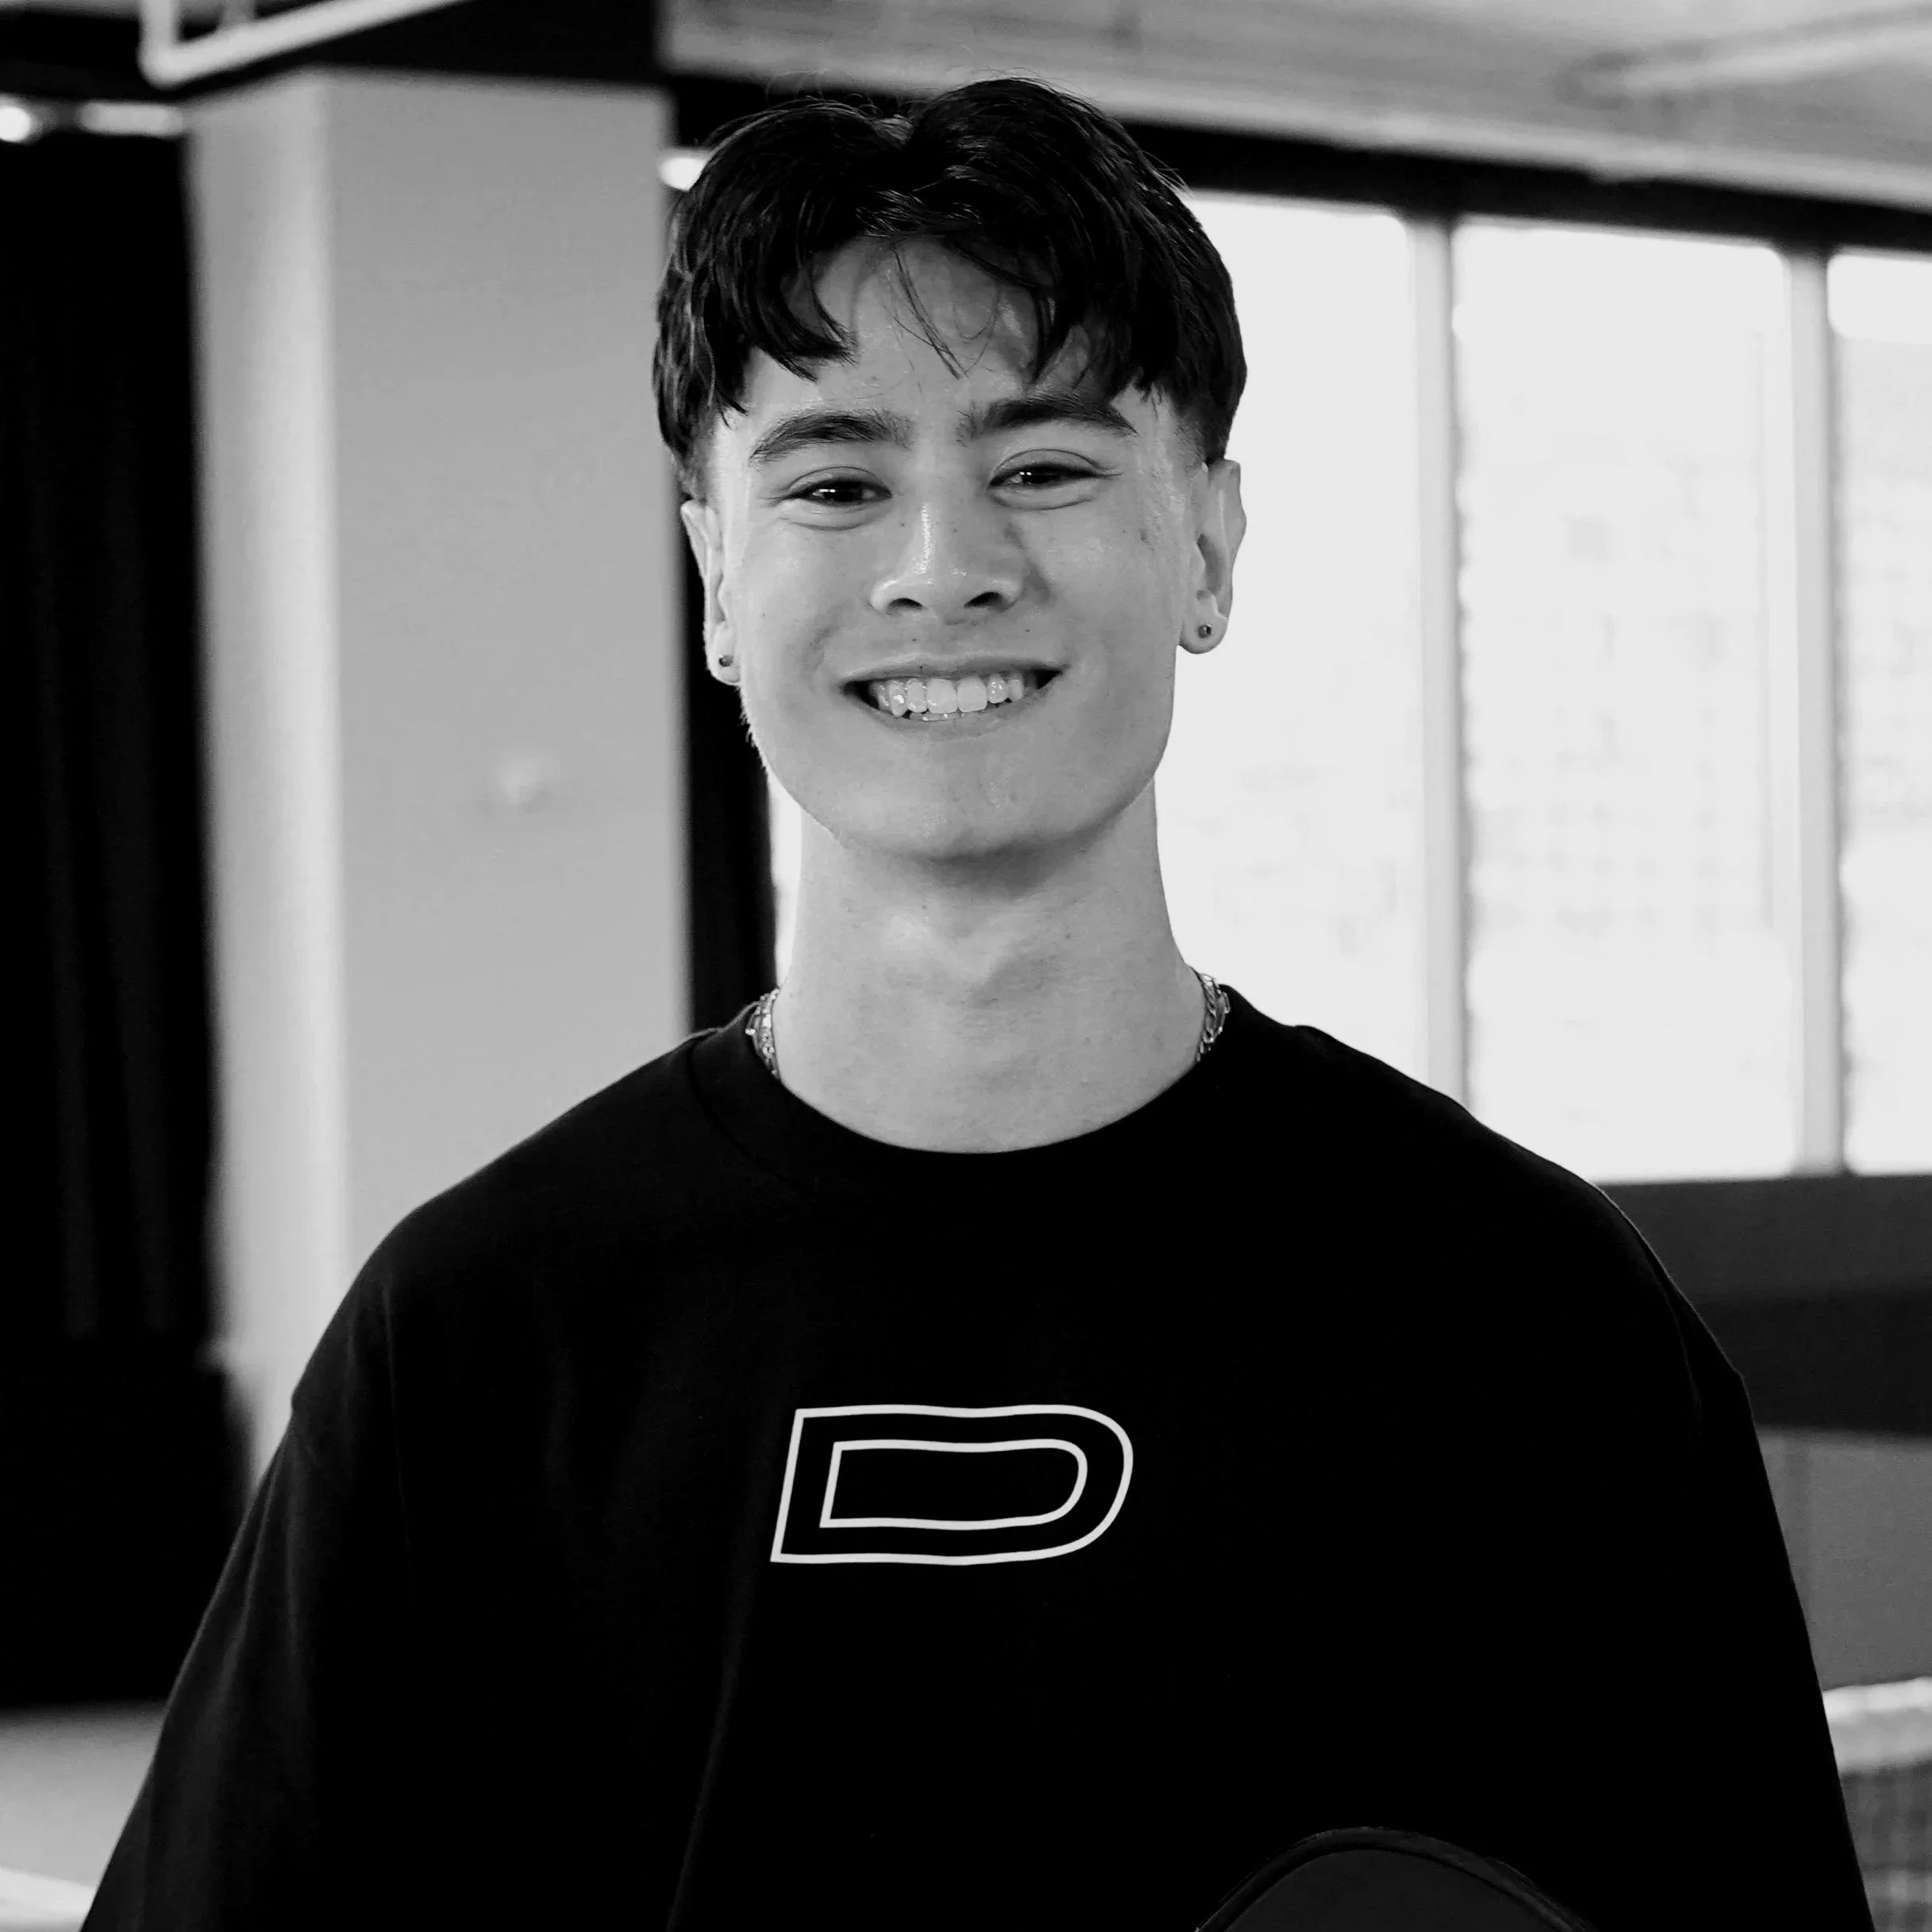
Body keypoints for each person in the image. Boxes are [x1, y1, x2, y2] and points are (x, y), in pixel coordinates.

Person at [87, 76, 1871, 1932]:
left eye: (1041, 467)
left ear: (1206, 542)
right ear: (716, 577)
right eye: (835, 483)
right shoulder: (477, 1338)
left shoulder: (1526, 1317)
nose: (942, 565)